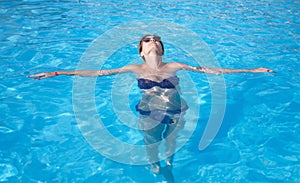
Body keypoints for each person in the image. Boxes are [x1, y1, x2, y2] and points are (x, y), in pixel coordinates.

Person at [28, 34, 274, 174]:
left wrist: (251, 70)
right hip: (150, 113)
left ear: (162, 49)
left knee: (171, 143)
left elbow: (211, 70)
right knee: (151, 143)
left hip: (178, 110)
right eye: (147, 39)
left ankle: (168, 165)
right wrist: (59, 73)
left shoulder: (175, 65)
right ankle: (154, 165)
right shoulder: (134, 67)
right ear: (142, 51)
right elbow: (98, 74)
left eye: (157, 39)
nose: (153, 40)